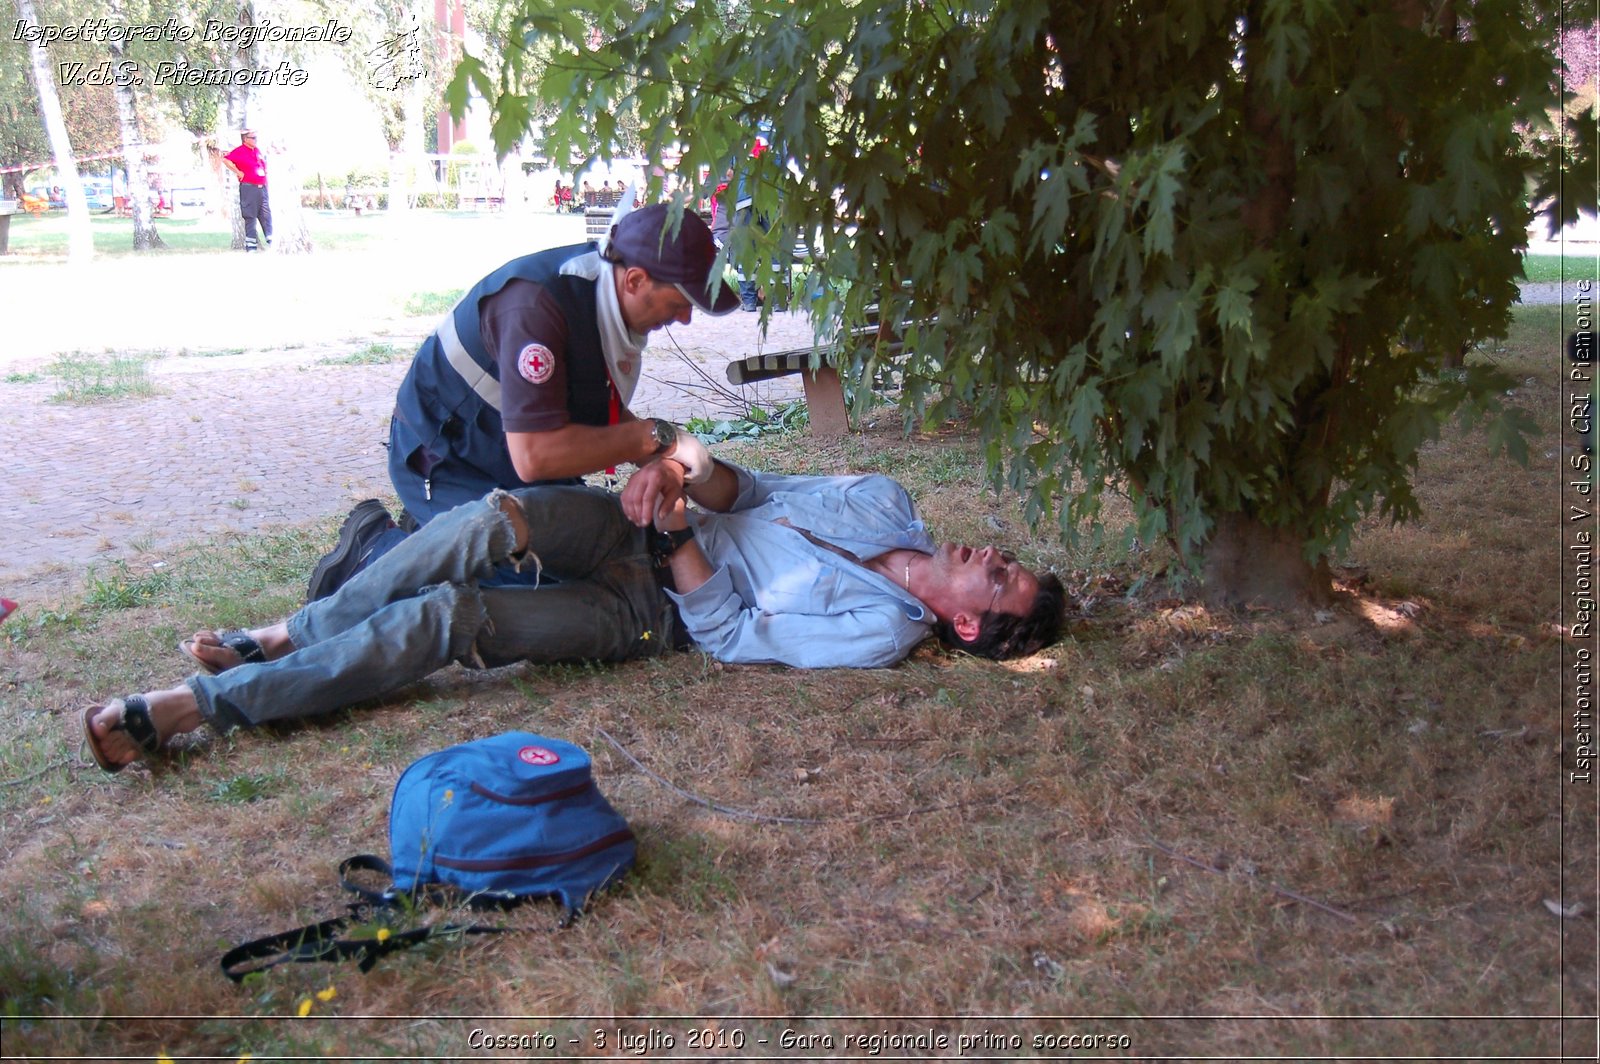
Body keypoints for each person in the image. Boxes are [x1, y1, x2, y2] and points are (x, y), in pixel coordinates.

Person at [81, 458, 1066, 773]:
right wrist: (687, 468)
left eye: (1001, 581)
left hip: (651, 607)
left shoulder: (878, 633)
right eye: (1007, 560)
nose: (992, 557)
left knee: (452, 621)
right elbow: (756, 487)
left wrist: (679, 537)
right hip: (647, 519)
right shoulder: (886, 500)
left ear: (969, 629)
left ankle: (204, 703)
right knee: (493, 518)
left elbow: (726, 634)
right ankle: (297, 626)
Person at [304, 202, 742, 602]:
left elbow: (595, 414)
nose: (685, 318)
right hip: (446, 455)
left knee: (583, 557)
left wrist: (660, 460)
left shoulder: (603, 302)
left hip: (502, 450)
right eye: (682, 302)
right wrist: (650, 440)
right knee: (530, 580)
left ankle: (433, 530)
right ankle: (378, 549)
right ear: (635, 279)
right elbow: (536, 456)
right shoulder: (534, 306)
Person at [221, 128, 272, 251]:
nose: (255, 140)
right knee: (250, 216)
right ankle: (251, 246)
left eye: (256, 138)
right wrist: (238, 172)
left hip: (262, 188)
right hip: (249, 188)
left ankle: (271, 240)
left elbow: (263, 168)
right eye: (253, 138)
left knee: (265, 215)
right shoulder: (240, 151)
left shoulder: (257, 151)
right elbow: (226, 159)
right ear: (245, 139)